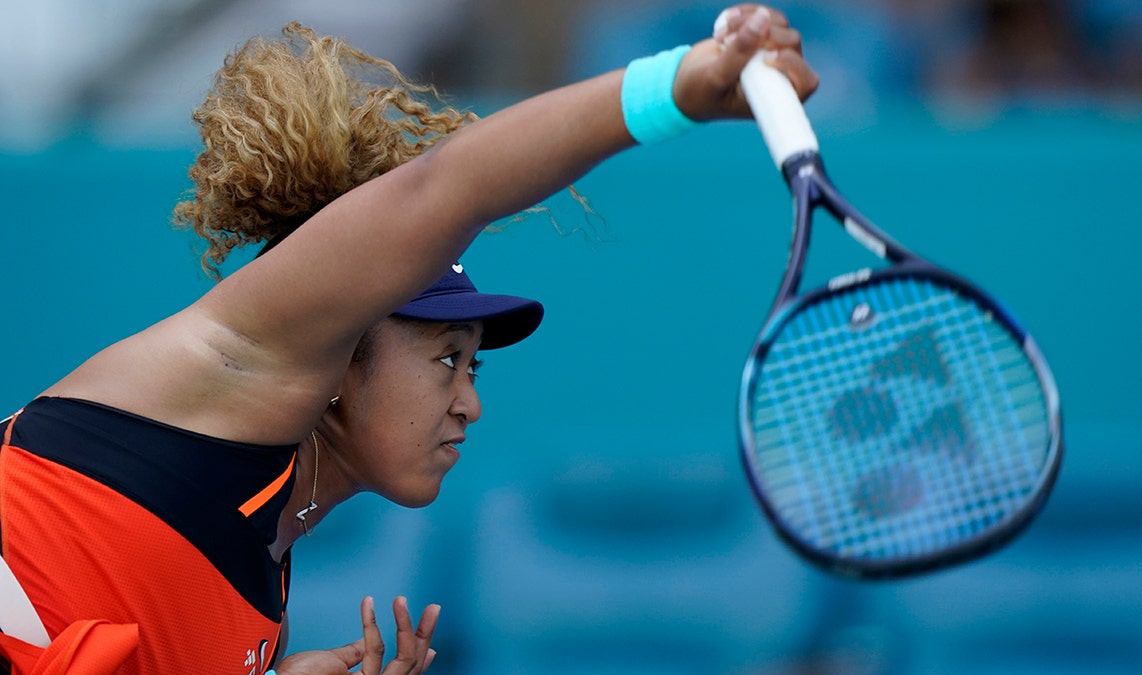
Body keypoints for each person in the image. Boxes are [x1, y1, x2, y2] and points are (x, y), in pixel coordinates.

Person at [0, 4, 817, 674]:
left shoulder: (261, 561)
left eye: (474, 365)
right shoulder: (240, 361)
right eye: (447, 359)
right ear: (338, 352)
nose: (470, 402)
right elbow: (444, 187)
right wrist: (681, 84)